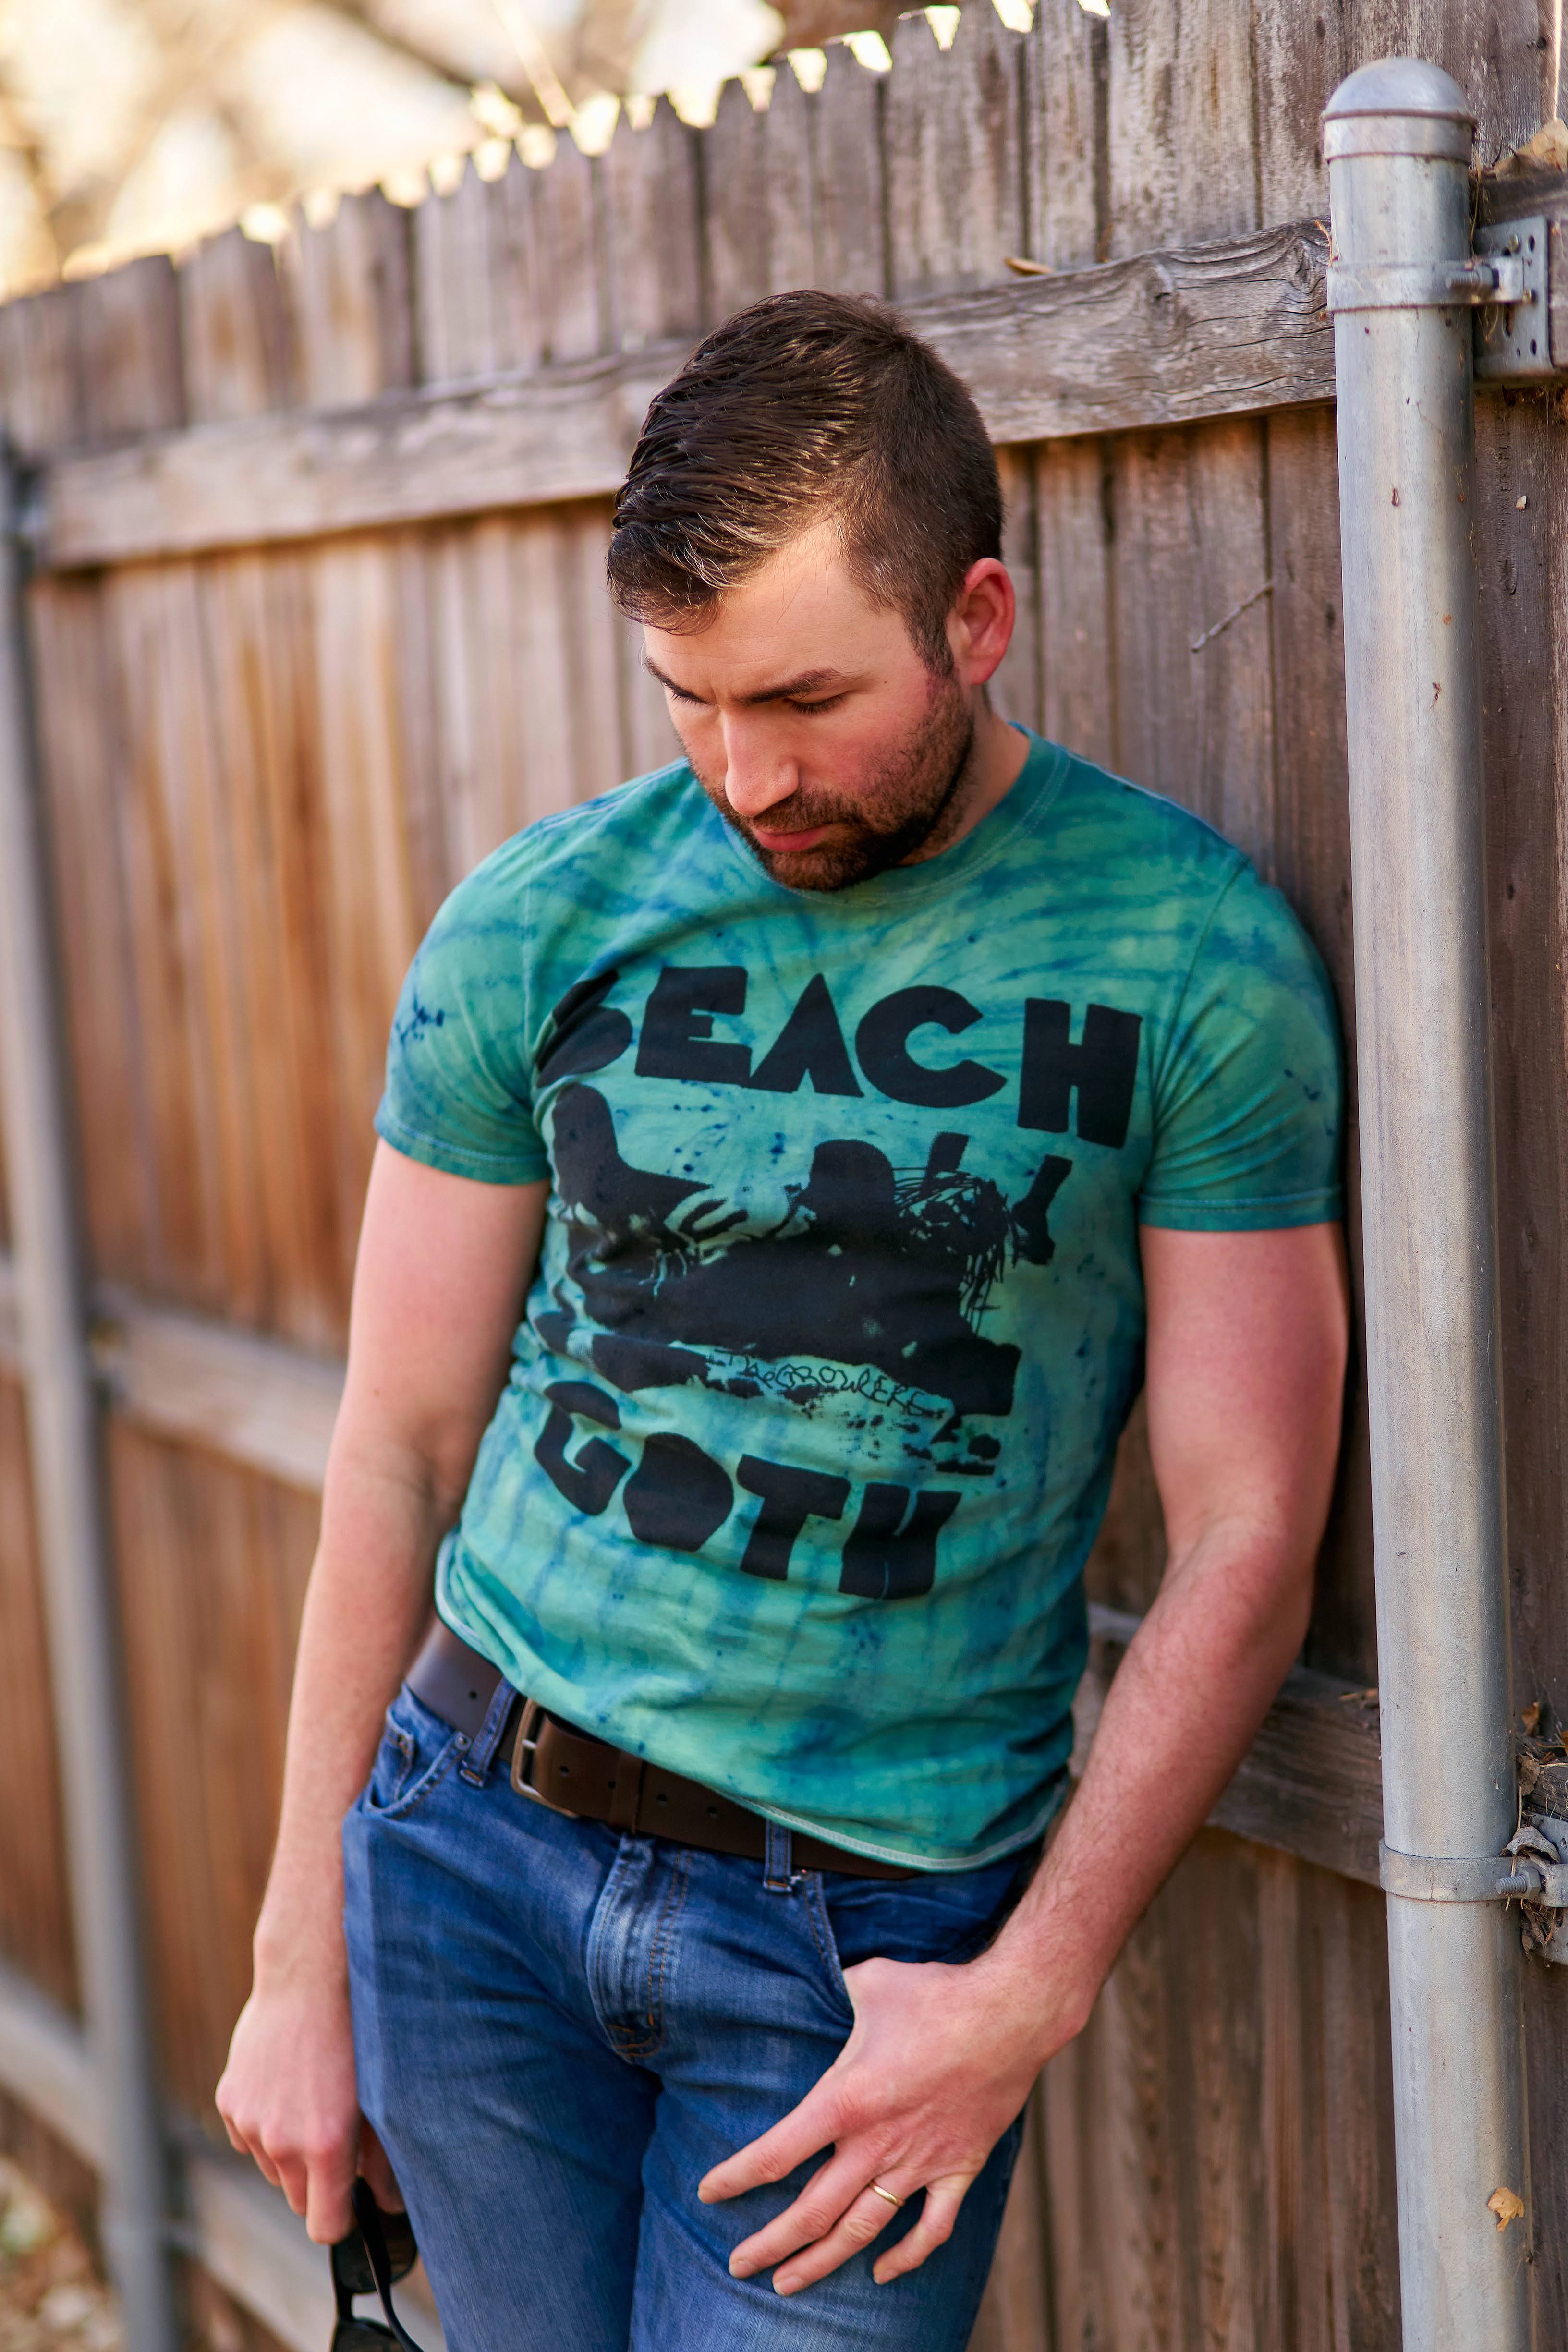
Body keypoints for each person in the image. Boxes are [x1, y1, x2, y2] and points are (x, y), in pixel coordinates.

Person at [217, 290, 1348, 2351]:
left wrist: (1029, 1983)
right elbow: (389, 1446)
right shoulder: (540, 920)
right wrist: (304, 1959)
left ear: (975, 619)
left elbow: (1250, 1526)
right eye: (689, 701)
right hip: (470, 1856)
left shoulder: (1191, 955)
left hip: (864, 1950)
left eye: (806, 698)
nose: (748, 774)